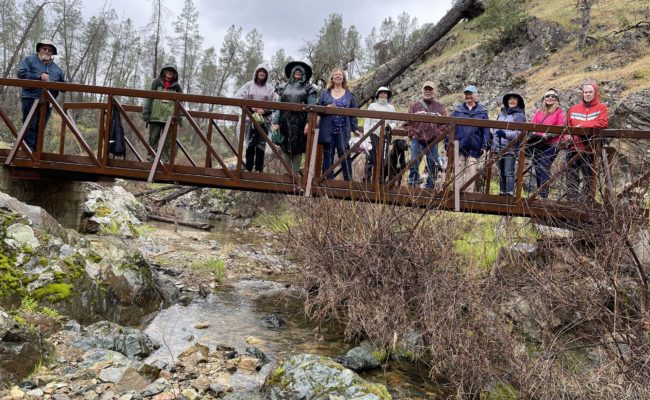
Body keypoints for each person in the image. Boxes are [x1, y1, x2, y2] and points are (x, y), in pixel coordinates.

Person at [17, 39, 66, 151]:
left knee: (41, 127)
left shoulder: (57, 69)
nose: (47, 51)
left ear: (53, 53)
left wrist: (65, 86)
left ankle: (36, 153)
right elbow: (21, 73)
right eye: (44, 48)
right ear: (39, 49)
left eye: (50, 50)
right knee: (29, 126)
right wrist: (39, 77)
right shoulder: (29, 60)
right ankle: (28, 153)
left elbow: (63, 84)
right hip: (30, 99)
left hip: (48, 102)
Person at [272, 61, 318, 173]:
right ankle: (287, 173)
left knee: (298, 147)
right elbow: (278, 105)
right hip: (284, 121)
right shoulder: (283, 87)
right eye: (296, 70)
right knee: (285, 144)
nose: (298, 72)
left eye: (300, 71)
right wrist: (275, 122)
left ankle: (296, 173)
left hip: (300, 123)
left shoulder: (309, 88)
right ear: (292, 73)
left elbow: (312, 107)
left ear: (304, 74)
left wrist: (308, 123)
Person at [565, 82, 608, 198]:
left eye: (590, 92)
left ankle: (586, 203)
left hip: (589, 149)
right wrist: (567, 137)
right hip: (573, 147)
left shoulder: (601, 107)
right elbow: (567, 127)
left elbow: (603, 123)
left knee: (588, 177)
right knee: (571, 177)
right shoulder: (573, 109)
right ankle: (571, 202)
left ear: (595, 93)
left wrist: (583, 126)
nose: (587, 94)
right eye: (585, 92)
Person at [317, 68, 361, 181]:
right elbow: (317, 109)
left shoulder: (349, 94)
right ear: (332, 78)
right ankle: (327, 182)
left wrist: (355, 128)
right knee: (328, 155)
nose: (338, 76)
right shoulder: (325, 93)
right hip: (328, 130)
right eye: (335, 75)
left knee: (344, 154)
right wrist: (326, 108)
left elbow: (353, 112)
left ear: (343, 78)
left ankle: (348, 182)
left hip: (343, 130)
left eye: (340, 75)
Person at [404, 81, 449, 189]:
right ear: (422, 90)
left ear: (434, 91)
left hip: (433, 141)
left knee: (432, 165)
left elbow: (446, 124)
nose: (427, 92)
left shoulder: (440, 107)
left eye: (430, 90)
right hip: (417, 140)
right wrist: (413, 134)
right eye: (426, 89)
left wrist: (437, 134)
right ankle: (412, 185)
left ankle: (430, 187)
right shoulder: (415, 106)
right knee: (414, 164)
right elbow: (406, 123)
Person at [235, 64, 278, 173]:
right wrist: (250, 107)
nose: (262, 73)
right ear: (256, 72)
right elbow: (238, 97)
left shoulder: (270, 88)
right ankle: (248, 168)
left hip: (264, 120)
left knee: (261, 144)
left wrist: (264, 111)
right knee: (250, 143)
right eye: (260, 71)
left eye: (264, 72)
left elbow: (276, 103)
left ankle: (258, 169)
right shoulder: (248, 85)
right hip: (250, 120)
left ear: (266, 75)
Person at [449, 85, 490, 192]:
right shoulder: (457, 110)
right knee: (458, 175)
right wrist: (448, 144)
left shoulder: (482, 111)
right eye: (466, 94)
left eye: (470, 94)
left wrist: (485, 146)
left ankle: (467, 203)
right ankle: (457, 202)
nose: (468, 96)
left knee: (471, 175)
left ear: (475, 95)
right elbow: (450, 128)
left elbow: (486, 131)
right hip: (459, 147)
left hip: (475, 148)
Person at [142, 63, 183, 163]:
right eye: (167, 70)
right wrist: (146, 113)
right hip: (155, 116)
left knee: (167, 142)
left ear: (174, 74)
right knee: (153, 139)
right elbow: (149, 97)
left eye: (171, 71)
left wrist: (179, 120)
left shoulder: (177, 87)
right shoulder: (156, 82)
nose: (169, 73)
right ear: (164, 72)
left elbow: (180, 104)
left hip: (169, 118)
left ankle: (164, 162)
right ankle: (151, 160)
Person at [529, 88, 565, 198]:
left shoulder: (559, 111)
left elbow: (561, 127)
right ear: (544, 99)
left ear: (556, 99)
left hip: (552, 143)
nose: (550, 98)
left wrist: (548, 135)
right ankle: (540, 193)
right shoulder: (539, 112)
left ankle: (543, 195)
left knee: (544, 164)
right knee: (537, 166)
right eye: (547, 96)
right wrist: (534, 134)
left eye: (553, 96)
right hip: (538, 142)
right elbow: (532, 124)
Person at [492, 93, 526, 196]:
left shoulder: (519, 115)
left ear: (518, 102)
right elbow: (496, 128)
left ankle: (509, 193)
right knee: (501, 171)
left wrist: (505, 134)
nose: (512, 101)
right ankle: (502, 192)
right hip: (498, 147)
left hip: (510, 147)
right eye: (510, 99)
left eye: (515, 99)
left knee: (508, 171)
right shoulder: (501, 114)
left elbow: (520, 133)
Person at [363, 86, 396, 182]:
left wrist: (390, 127)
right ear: (377, 94)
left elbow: (394, 122)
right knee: (370, 156)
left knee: (383, 157)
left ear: (388, 95)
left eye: (385, 93)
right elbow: (367, 122)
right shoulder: (372, 106)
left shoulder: (391, 107)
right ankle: (367, 179)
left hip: (385, 135)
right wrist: (366, 137)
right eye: (381, 93)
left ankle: (380, 179)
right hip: (373, 133)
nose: (383, 95)